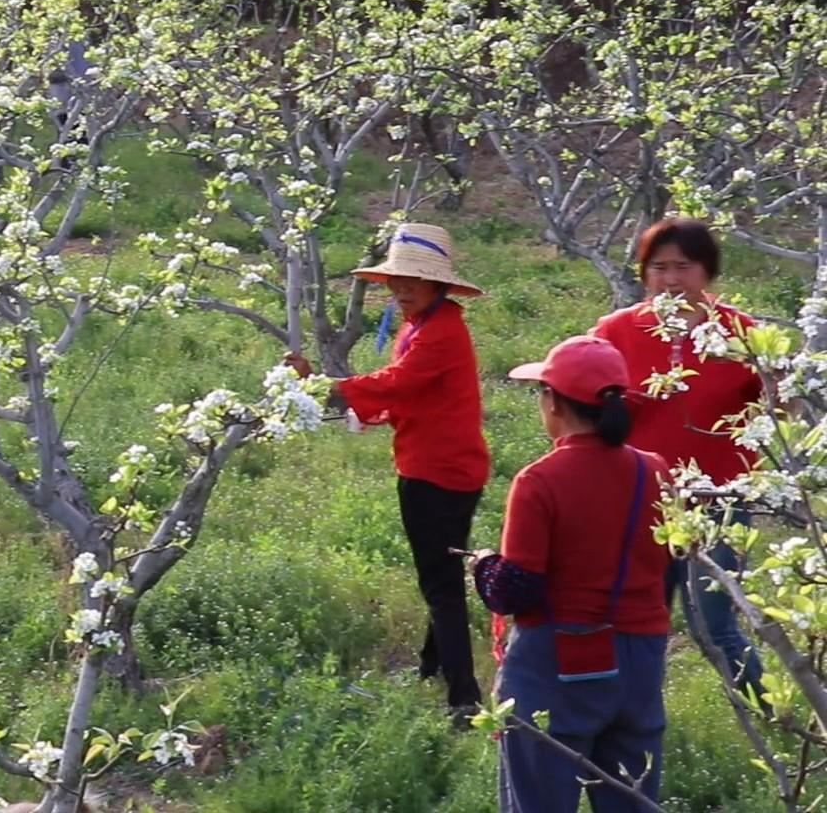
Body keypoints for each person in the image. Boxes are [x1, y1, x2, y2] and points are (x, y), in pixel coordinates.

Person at [286, 223, 489, 715]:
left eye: (412, 280)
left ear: (438, 284)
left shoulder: (438, 332)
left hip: (435, 473)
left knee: (439, 586)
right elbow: (409, 393)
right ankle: (431, 668)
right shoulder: (425, 322)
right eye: (397, 278)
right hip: (452, 466)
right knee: (441, 575)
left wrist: (322, 386)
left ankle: (464, 700)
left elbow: (396, 383)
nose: (401, 288)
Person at [478, 335, 672, 812]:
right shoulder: (656, 471)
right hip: (640, 658)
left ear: (554, 404)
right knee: (631, 799)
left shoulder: (538, 480)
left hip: (555, 661)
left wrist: (482, 566)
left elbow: (515, 590)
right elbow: (670, 565)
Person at [592, 217, 765, 696]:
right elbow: (584, 405)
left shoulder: (738, 333)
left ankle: (785, 719)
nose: (670, 279)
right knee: (636, 620)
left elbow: (780, 407)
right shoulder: (617, 331)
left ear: (707, 272)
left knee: (713, 623)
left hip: (717, 499)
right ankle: (633, 719)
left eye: (682, 267)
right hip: (639, 499)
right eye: (658, 267)